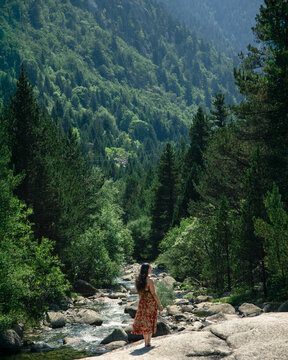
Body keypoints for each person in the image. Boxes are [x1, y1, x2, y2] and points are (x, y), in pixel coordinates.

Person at [131, 263, 163, 347]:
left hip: (142, 302)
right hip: (150, 302)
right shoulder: (150, 280)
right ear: (146, 270)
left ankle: (146, 342)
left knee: (144, 322)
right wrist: (160, 304)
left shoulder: (138, 280)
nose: (151, 270)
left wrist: (141, 301)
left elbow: (139, 293)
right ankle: (149, 341)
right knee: (150, 320)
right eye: (150, 268)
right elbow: (153, 293)